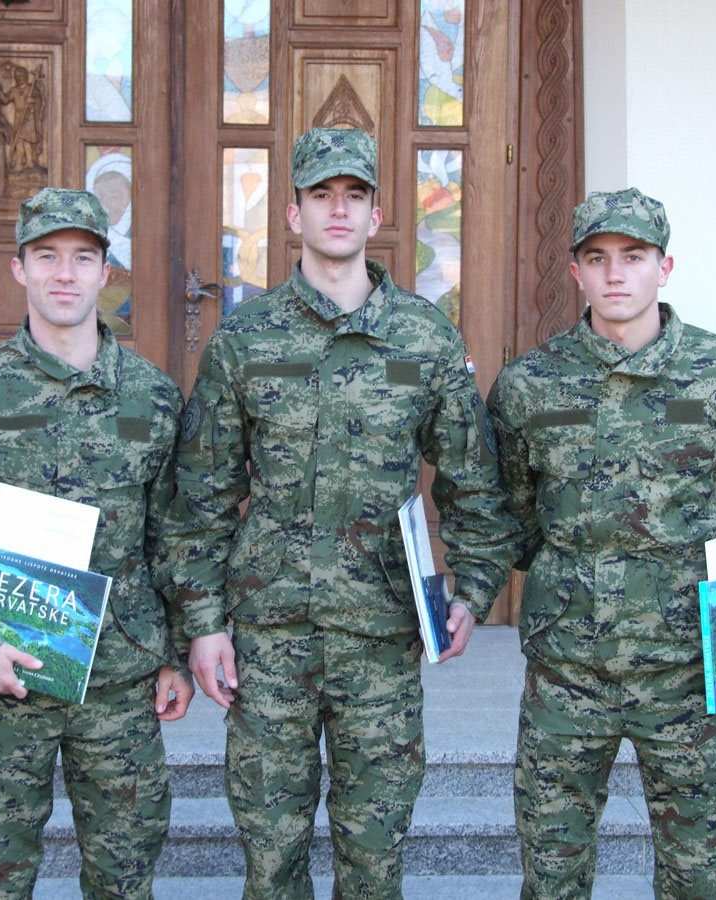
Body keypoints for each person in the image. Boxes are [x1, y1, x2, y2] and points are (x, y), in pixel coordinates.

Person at [162, 128, 515, 898]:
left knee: (374, 860)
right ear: (293, 215)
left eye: (354, 195)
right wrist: (203, 624)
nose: (338, 210)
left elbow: (473, 481)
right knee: (271, 859)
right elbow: (201, 495)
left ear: (377, 214)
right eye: (321, 195)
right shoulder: (246, 339)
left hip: (381, 637)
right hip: (269, 637)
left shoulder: (424, 338)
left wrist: (474, 590)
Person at [488, 188, 716, 898]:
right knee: (550, 877)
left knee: (698, 881)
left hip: (690, 680)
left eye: (634, 256)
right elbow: (511, 520)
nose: (615, 273)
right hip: (566, 678)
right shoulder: (529, 386)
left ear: (665, 267)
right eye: (597, 258)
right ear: (575, 272)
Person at [0, 187, 193, 899]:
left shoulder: (152, 398)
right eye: (46, 256)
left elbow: (175, 538)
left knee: (124, 881)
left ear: (105, 273)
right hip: (8, 680)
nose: (64, 274)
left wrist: (175, 652)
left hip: (119, 684)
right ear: (18, 268)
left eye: (82, 258)